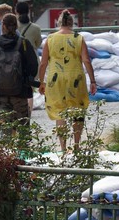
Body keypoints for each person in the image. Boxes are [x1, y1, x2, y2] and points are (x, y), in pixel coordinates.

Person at [37, 10, 96, 154]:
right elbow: (86, 60)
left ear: (59, 23)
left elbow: (43, 63)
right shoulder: (78, 38)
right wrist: (93, 80)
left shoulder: (50, 39)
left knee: (60, 112)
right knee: (77, 111)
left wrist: (41, 81)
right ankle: (76, 146)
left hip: (55, 79)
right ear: (72, 23)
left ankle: (63, 148)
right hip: (75, 77)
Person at [0, 12, 37, 128]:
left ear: (3, 26)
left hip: (0, 92)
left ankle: (7, 146)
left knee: (5, 128)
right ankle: (23, 146)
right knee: (22, 128)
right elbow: (33, 66)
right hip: (20, 92)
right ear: (16, 26)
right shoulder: (24, 43)